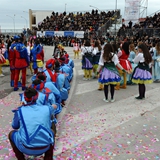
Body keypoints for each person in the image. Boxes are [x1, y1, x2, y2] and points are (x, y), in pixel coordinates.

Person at [8, 88, 55, 160]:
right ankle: (48, 158)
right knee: (52, 132)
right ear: (37, 97)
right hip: (45, 147)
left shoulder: (20, 110)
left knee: (11, 134)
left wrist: (19, 109)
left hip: (26, 148)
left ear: (24, 98)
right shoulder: (47, 108)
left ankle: (21, 158)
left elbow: (15, 126)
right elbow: (54, 107)